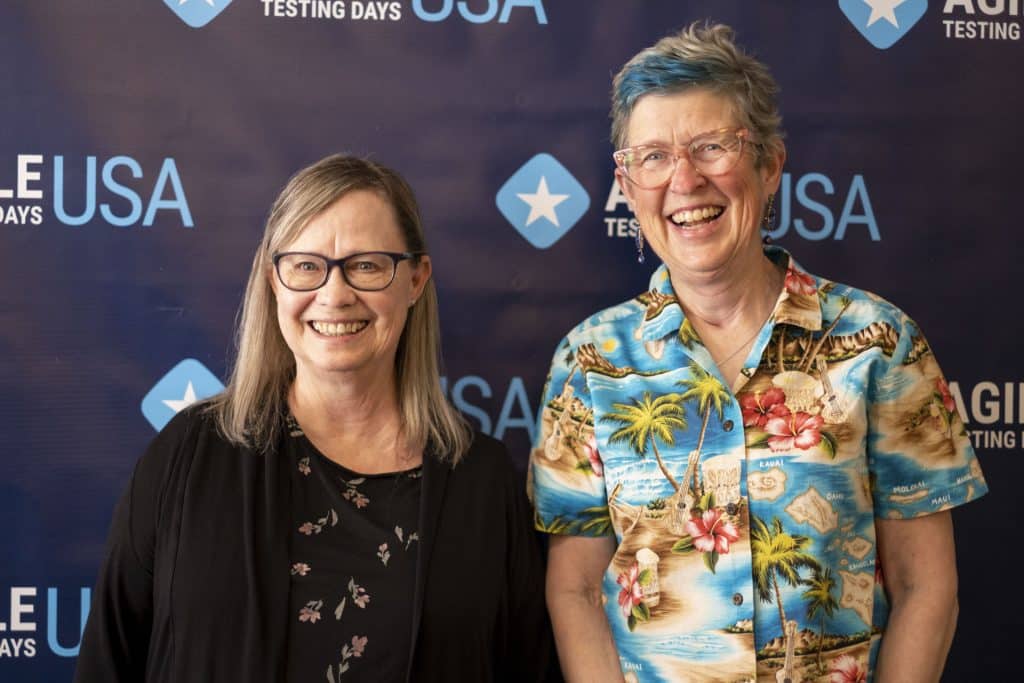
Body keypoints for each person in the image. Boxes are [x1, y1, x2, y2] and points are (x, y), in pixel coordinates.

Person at [530, 22, 987, 683]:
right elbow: (572, 590)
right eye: (652, 157)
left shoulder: (880, 343)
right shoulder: (589, 362)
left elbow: (926, 587)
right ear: (627, 188)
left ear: (769, 164)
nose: (684, 180)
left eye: (712, 146)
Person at [76, 154, 556, 682]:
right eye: (306, 265)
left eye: (367, 265)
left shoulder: (482, 480)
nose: (334, 294)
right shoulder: (186, 458)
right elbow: (108, 662)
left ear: (416, 280)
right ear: (273, 281)